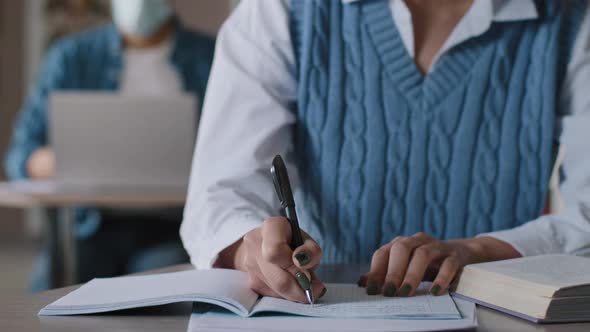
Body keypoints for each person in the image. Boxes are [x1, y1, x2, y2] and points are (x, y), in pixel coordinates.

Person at [181, 0, 590, 303]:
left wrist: (480, 251)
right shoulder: (284, 11)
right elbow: (219, 197)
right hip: (320, 314)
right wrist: (250, 249)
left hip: (502, 315)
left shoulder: (572, 21)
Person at [5, 0, 215, 291]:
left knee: (162, 289)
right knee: (48, 288)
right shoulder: (70, 57)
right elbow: (21, 154)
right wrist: (62, 160)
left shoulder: (212, 57)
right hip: (90, 227)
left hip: (173, 228)